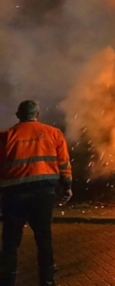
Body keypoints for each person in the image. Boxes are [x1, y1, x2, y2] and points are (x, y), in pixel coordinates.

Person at [0, 101, 72, 286]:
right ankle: (47, 281)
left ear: (18, 115)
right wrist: (67, 186)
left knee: (11, 242)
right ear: (37, 115)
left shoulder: (5, 137)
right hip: (43, 194)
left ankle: (7, 281)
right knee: (43, 238)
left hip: (14, 195)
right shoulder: (54, 133)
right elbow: (63, 163)